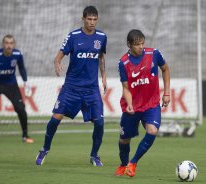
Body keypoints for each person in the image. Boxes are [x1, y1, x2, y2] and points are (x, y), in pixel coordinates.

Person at [35, 6, 107, 166]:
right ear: (83, 19)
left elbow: (101, 57)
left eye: (95, 19)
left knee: (100, 123)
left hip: (91, 89)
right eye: (89, 19)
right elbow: (59, 56)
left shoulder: (102, 37)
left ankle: (94, 155)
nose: (92, 22)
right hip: (72, 88)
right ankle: (44, 149)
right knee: (55, 119)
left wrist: (104, 76)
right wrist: (57, 64)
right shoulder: (73, 36)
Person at [114, 29, 170, 177]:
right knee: (124, 139)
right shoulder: (123, 62)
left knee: (152, 131)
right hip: (132, 106)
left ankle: (133, 163)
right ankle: (123, 164)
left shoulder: (154, 54)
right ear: (129, 45)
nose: (141, 47)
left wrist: (167, 93)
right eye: (137, 44)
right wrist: (130, 103)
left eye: (142, 43)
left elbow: (165, 69)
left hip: (151, 104)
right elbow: (125, 88)